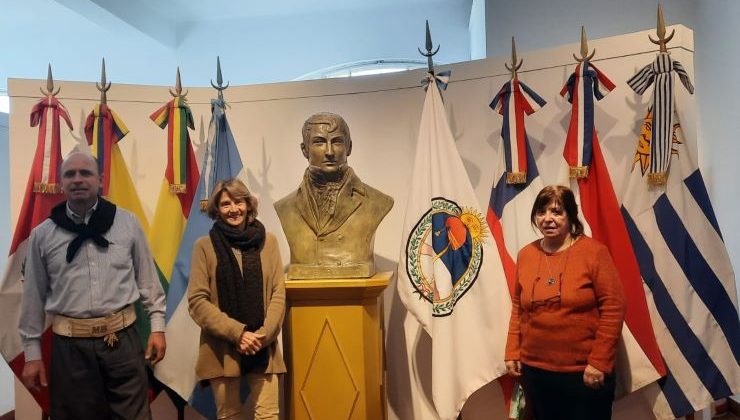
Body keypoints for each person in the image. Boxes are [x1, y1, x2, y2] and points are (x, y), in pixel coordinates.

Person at [19, 151, 166, 420]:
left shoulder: (127, 223)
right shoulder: (42, 235)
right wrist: (32, 353)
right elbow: (32, 298)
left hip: (123, 342)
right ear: (61, 183)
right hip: (70, 350)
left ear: (100, 180)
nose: (77, 179)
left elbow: (148, 280)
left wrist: (157, 327)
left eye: (85, 173)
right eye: (69, 174)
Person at [504, 185, 625, 420]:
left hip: (584, 374)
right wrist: (512, 351)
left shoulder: (594, 252)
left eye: (557, 212)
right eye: (541, 212)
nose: (547, 219)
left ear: (571, 216)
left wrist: (599, 362)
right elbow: (518, 307)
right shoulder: (525, 255)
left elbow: (614, 307)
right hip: (535, 372)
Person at [188, 178, 286, 420]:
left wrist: (262, 336)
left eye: (238, 201)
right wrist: (238, 334)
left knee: (268, 415)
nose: (233, 209)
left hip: (264, 345)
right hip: (222, 348)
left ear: (248, 204)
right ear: (216, 209)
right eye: (225, 204)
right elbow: (197, 301)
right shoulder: (204, 246)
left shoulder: (269, 242)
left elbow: (278, 293)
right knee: (229, 415)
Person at [274, 112, 393, 279]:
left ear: (349, 147)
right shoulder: (285, 207)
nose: (329, 151)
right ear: (304, 149)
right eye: (319, 142)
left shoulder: (377, 202)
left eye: (337, 142)